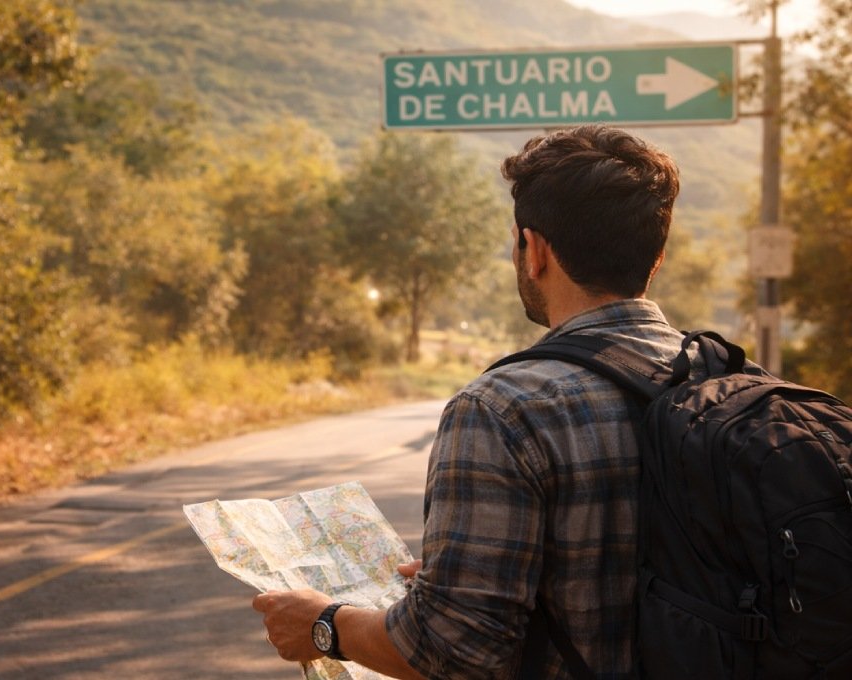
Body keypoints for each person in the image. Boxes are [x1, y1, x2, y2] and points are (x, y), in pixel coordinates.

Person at [253, 124, 685, 679]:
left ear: (534, 251)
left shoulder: (504, 408)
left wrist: (324, 624)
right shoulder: (731, 383)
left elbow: (453, 651)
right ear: (657, 257)